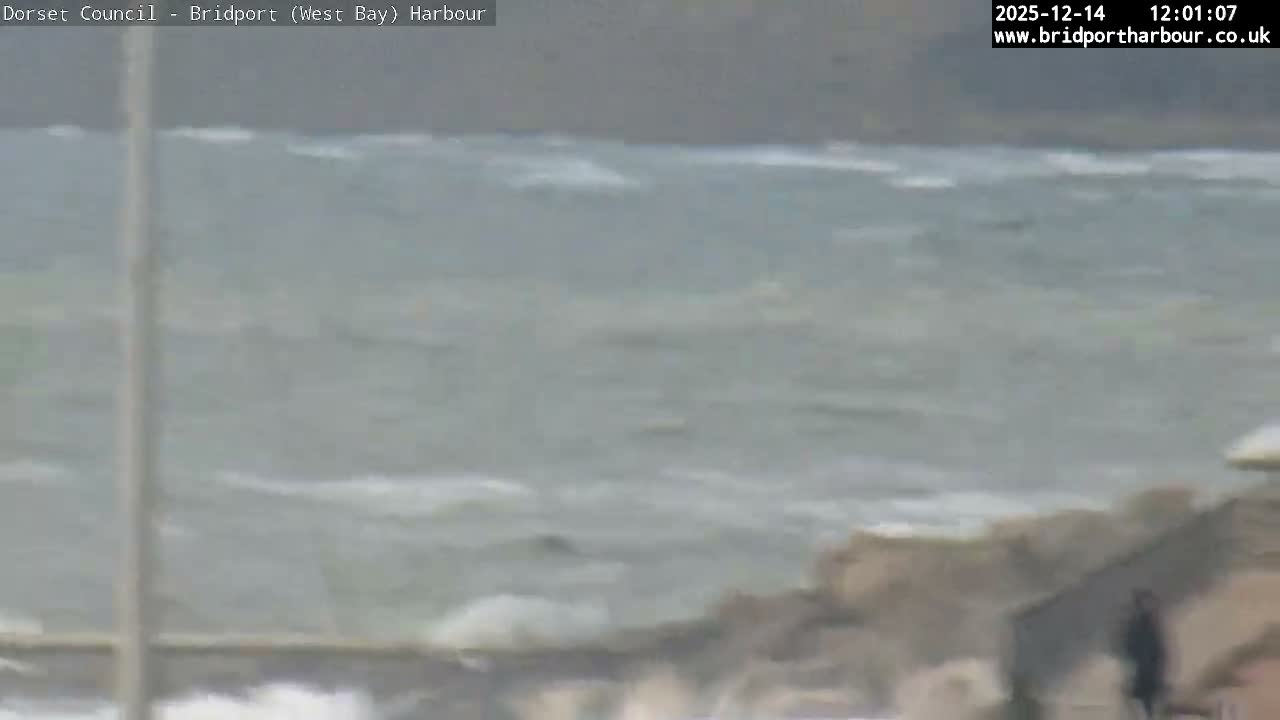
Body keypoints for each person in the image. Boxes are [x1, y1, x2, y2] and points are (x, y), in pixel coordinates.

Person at [1120, 589, 1168, 719]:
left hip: (1147, 671)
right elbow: (1130, 648)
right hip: (1145, 671)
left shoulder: (1143, 624)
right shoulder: (1141, 624)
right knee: (1147, 701)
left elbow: (1159, 648)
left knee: (1147, 701)